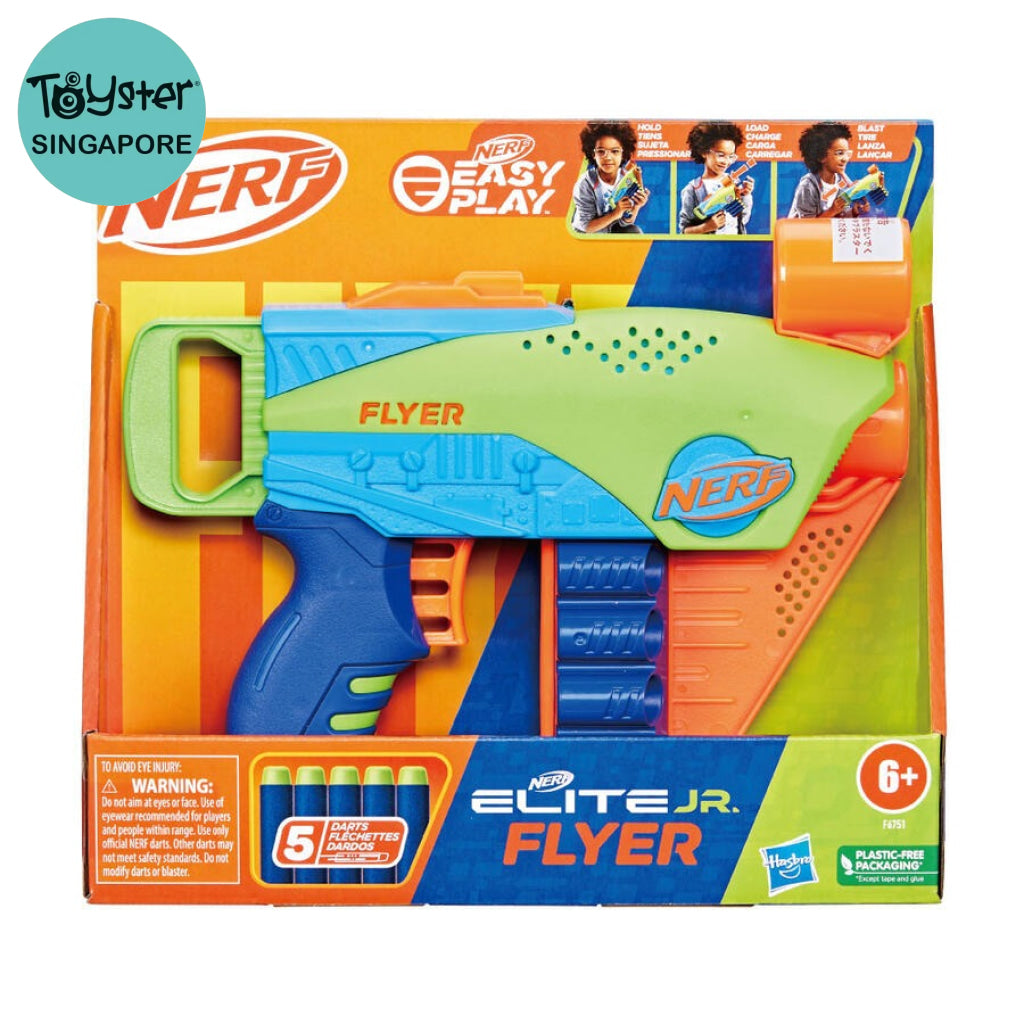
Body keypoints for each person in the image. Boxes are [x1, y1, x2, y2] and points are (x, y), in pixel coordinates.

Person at [571, 121, 650, 233]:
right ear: (593, 154)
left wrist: (636, 206)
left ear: (623, 154)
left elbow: (625, 222)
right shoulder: (585, 183)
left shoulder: (625, 177)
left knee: (634, 231)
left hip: (610, 231)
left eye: (615, 151)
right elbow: (586, 227)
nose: (608, 157)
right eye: (601, 151)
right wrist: (615, 213)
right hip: (585, 235)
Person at [679, 122, 754, 235]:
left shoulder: (734, 182)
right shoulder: (692, 189)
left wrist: (746, 195)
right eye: (721, 155)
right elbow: (684, 232)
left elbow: (742, 219)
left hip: (735, 243)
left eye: (731, 156)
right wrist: (706, 227)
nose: (726, 162)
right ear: (704, 152)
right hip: (708, 245)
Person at [788, 122, 871, 218]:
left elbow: (840, 216)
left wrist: (854, 211)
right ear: (821, 156)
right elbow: (807, 225)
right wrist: (832, 211)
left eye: (847, 153)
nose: (845, 159)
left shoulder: (841, 183)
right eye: (839, 153)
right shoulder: (808, 186)